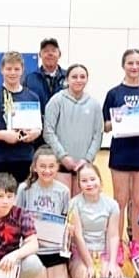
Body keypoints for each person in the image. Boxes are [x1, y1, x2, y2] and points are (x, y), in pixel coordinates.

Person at [102, 49, 139, 243]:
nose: (134, 67)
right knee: (119, 202)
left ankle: (136, 242)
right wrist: (119, 118)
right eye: (130, 63)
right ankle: (116, 243)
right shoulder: (114, 93)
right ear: (123, 65)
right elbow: (105, 126)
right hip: (121, 153)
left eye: (138, 63)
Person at [17, 146, 71, 278]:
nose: (47, 171)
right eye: (42, 166)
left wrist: (68, 229)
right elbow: (16, 218)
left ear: (57, 167)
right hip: (34, 251)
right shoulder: (24, 189)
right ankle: (36, 275)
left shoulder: (63, 191)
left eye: (51, 166)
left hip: (54, 250)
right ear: (35, 167)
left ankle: (59, 273)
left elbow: (66, 218)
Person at [44, 64, 104, 196]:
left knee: (80, 207)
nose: (78, 80)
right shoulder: (56, 101)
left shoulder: (94, 104)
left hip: (83, 166)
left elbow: (98, 134)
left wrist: (87, 159)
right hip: (61, 165)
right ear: (67, 79)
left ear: (87, 79)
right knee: (62, 206)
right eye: (74, 77)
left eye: (82, 77)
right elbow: (48, 131)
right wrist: (63, 156)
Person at [0, 51, 42, 184]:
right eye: (8, 69)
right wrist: (4, 135)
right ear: (1, 70)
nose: (12, 73)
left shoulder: (32, 97)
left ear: (22, 70)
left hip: (25, 157)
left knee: (22, 201)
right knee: (1, 199)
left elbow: (38, 127)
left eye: (16, 69)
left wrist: (35, 133)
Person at [67, 163, 123, 278]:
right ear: (79, 184)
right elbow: (78, 236)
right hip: (82, 255)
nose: (89, 184)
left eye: (92, 179)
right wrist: (90, 265)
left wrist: (112, 263)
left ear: (100, 180)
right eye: (84, 181)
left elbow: (113, 236)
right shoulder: (74, 204)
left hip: (102, 254)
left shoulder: (112, 205)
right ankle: (75, 277)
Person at [25, 37, 67, 117]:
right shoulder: (30, 79)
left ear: (59, 54)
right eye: (46, 51)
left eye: (53, 51)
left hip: (63, 126)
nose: (50, 54)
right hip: (38, 126)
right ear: (40, 55)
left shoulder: (69, 77)